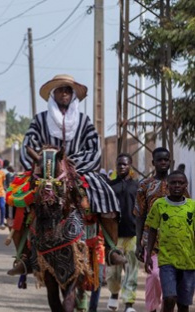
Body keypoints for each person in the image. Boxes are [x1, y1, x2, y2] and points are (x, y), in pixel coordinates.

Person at [10, 74, 123, 275]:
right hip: (43, 173)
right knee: (17, 200)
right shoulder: (40, 120)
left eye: (68, 90)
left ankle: (112, 249)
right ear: (54, 94)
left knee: (106, 195)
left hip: (78, 171)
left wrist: (69, 166)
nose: (64, 93)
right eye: (61, 90)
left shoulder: (84, 122)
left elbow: (94, 150)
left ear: (72, 95)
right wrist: (43, 165)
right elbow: (28, 146)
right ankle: (24, 256)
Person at [135, 147, 189, 312]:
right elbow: (140, 216)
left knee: (171, 283)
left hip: (176, 243)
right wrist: (138, 243)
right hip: (152, 241)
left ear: (170, 162)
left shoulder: (178, 183)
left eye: (166, 160)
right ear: (153, 163)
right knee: (154, 277)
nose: (163, 163)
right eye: (160, 160)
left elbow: (187, 212)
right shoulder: (145, 186)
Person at [144, 171, 195, 312]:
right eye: (173, 183)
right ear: (167, 185)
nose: (176, 186)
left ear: (186, 185)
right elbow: (152, 230)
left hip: (189, 261)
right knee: (170, 297)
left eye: (180, 183)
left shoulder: (192, 206)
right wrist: (148, 253)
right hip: (166, 260)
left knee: (184, 302)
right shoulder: (159, 205)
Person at [107, 153, 140, 312]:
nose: (121, 167)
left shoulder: (137, 187)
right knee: (113, 270)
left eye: (125, 164)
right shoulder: (110, 186)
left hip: (133, 234)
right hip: (114, 236)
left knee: (132, 270)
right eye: (119, 164)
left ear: (130, 166)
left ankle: (129, 303)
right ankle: (114, 294)